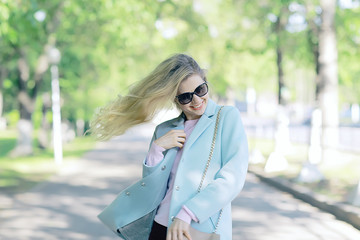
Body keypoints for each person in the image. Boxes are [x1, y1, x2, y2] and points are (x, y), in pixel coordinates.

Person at [91, 53, 248, 240]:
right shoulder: (164, 129)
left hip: (197, 228)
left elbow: (232, 178)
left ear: (206, 84)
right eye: (186, 97)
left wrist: (188, 212)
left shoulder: (226, 117)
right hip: (160, 226)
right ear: (175, 99)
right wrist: (156, 149)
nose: (196, 100)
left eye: (200, 90)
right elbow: (153, 188)